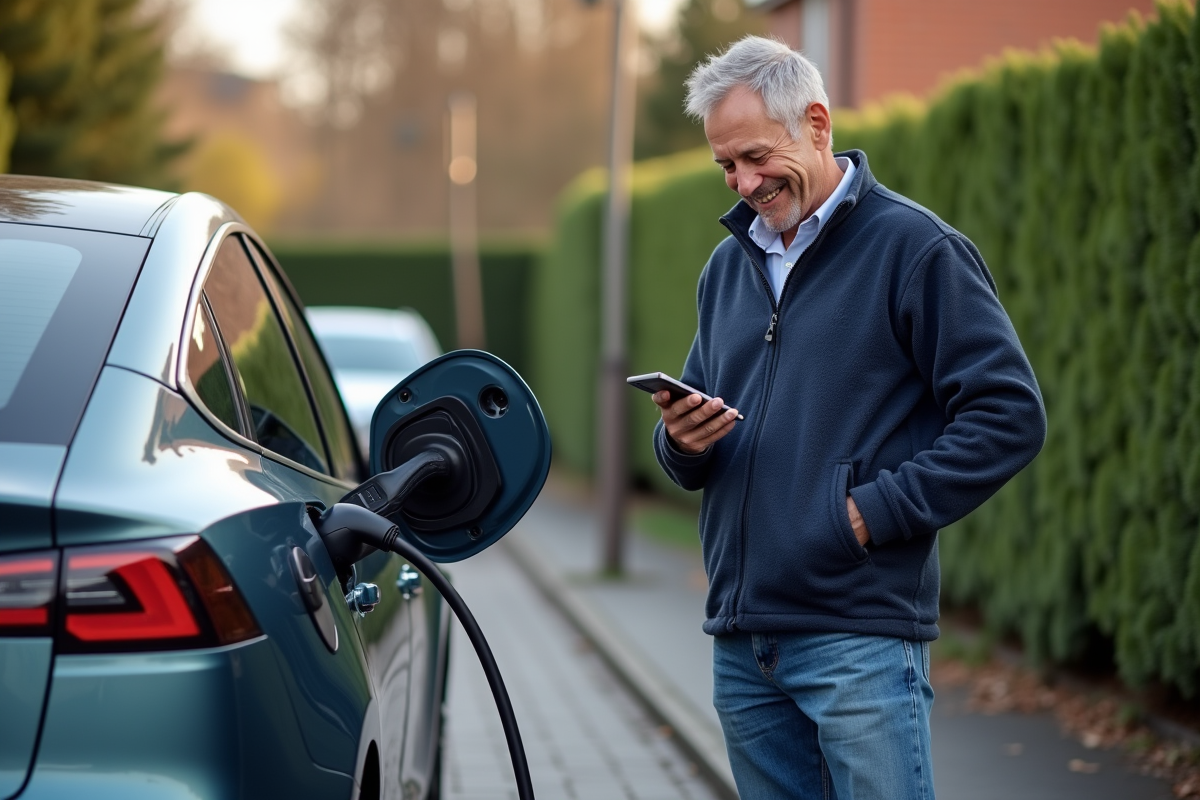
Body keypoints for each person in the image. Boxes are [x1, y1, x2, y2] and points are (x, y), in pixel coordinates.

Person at [651, 36, 1047, 800]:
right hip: (742, 640)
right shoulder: (726, 267)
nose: (743, 182)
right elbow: (700, 419)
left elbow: (1008, 414)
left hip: (857, 637)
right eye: (726, 166)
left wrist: (868, 513)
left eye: (757, 156)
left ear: (818, 124)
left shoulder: (916, 249)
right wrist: (679, 443)